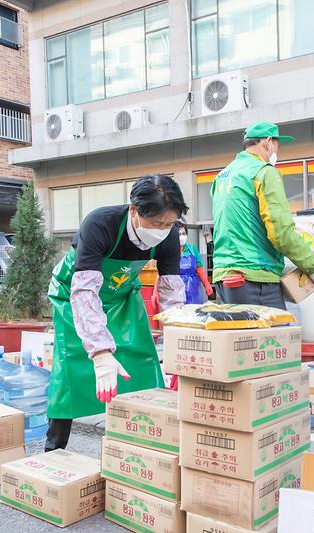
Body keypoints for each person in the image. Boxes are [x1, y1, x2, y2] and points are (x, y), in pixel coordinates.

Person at [45, 175, 188, 451]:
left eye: (169, 223)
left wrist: (180, 353)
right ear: (134, 210)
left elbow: (172, 299)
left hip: (122, 297)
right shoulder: (100, 224)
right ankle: (54, 451)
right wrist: (100, 354)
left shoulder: (169, 236)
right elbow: (85, 292)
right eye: (157, 223)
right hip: (73, 295)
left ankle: (146, 447)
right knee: (70, 370)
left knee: (144, 362)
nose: (163, 229)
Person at [211, 121, 314, 311]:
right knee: (274, 339)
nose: (278, 150)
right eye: (278, 145)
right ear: (268, 142)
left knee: (239, 337)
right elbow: (281, 232)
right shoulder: (264, 172)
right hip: (254, 278)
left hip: (224, 276)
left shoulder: (222, 176)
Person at [176, 222, 213, 304]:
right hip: (177, 288)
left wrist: (207, 284)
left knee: (194, 312)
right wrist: (156, 291)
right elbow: (164, 272)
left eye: (184, 233)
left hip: (193, 287)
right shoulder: (171, 251)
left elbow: (200, 269)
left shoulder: (192, 249)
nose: (182, 236)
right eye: (179, 234)